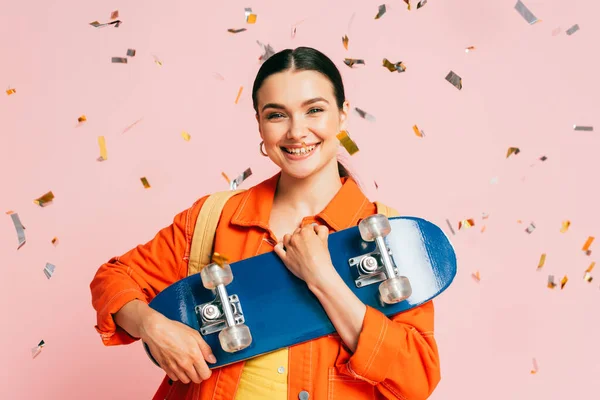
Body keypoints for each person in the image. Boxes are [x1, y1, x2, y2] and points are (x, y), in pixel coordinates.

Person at [90, 46, 440, 400]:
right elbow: (114, 278)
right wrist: (152, 326)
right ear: (259, 122)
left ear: (343, 114)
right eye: (277, 115)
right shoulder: (215, 218)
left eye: (314, 110)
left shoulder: (389, 234)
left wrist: (323, 278)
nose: (296, 132)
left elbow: (416, 379)